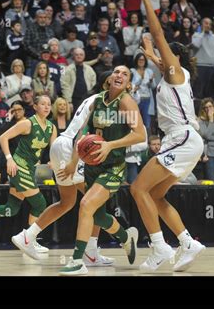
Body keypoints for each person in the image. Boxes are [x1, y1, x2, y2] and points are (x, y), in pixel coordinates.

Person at [130, 0, 206, 273]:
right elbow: (156, 55)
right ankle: (188, 242)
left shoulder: (176, 71)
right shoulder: (170, 75)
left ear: (175, 57)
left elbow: (159, 33)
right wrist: (148, 52)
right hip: (185, 141)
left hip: (183, 138)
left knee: (137, 189)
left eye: (165, 54)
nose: (161, 58)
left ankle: (160, 247)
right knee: (156, 196)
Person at [57, 65, 145, 275]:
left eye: (125, 74)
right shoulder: (97, 101)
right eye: (117, 72)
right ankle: (125, 238)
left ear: (128, 83)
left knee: (86, 205)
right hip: (91, 166)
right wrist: (73, 161)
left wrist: (109, 145)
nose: (119, 75)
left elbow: (140, 135)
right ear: (109, 78)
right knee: (98, 216)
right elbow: (84, 135)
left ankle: (77, 261)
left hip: (113, 167)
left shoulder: (125, 102)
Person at [11, 93, 116, 267]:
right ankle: (90, 253)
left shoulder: (90, 98)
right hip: (73, 148)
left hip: (62, 144)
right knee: (95, 199)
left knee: (67, 202)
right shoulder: (102, 101)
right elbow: (82, 132)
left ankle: (27, 236)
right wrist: (74, 162)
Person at [0, 95, 57, 252]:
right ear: (35, 106)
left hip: (31, 169)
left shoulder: (51, 128)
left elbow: (53, 148)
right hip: (18, 167)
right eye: (43, 104)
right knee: (40, 203)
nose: (47, 107)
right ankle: (29, 240)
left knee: (11, 208)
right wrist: (9, 159)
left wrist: (53, 161)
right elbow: (3, 137)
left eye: (49, 104)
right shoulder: (27, 123)